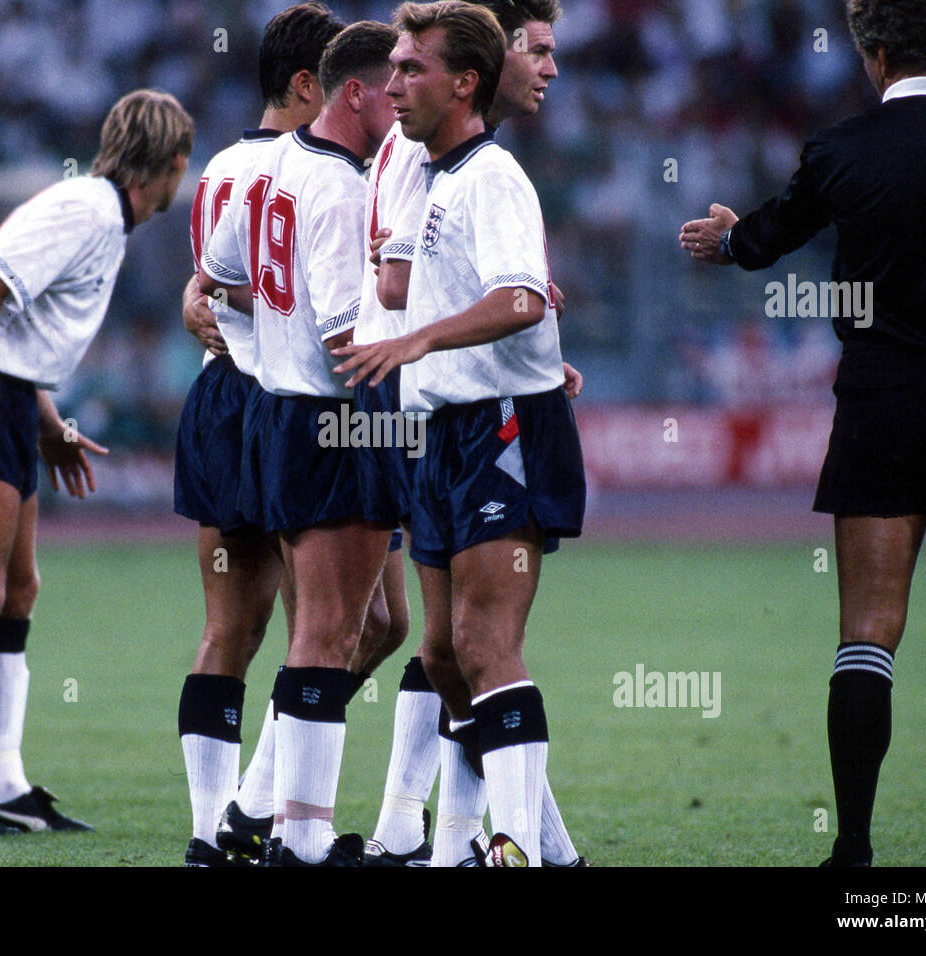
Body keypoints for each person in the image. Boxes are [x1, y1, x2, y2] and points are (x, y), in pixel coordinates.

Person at [679, 0, 926, 866]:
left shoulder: (841, 150)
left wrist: (726, 238)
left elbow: (765, 238)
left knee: (868, 631)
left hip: (882, 406)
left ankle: (855, 849)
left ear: (873, 56)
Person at [334, 0, 586, 866]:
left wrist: (422, 339)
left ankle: (506, 848)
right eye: (395, 68)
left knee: (484, 647)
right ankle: (549, 851)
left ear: (464, 82)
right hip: (443, 426)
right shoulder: (435, 174)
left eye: (411, 70)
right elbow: (477, 297)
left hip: (500, 429)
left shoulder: (490, 175)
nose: (391, 84)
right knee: (441, 656)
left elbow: (519, 297)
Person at [0, 89, 193, 836]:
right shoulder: (88, 211)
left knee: (17, 590)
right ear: (167, 164)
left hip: (2, 393)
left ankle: (0, 782)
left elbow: (19, 329)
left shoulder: (104, 218)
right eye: (182, 165)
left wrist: (49, 422)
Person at [199, 19, 400, 866]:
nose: (405, 102)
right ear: (354, 92)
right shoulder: (345, 188)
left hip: (275, 417)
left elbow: (220, 273)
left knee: (341, 628)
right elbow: (344, 332)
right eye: (394, 87)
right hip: (335, 418)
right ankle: (301, 841)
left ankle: (268, 819)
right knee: (330, 634)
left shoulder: (270, 164)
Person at [173, 1, 346, 868]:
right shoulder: (321, 168)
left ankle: (214, 831)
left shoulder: (221, 167)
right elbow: (298, 296)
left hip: (218, 400)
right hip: (291, 399)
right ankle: (256, 806)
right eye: (353, 80)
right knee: (364, 619)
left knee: (229, 628)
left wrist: (195, 300)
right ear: (310, 84)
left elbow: (208, 285)